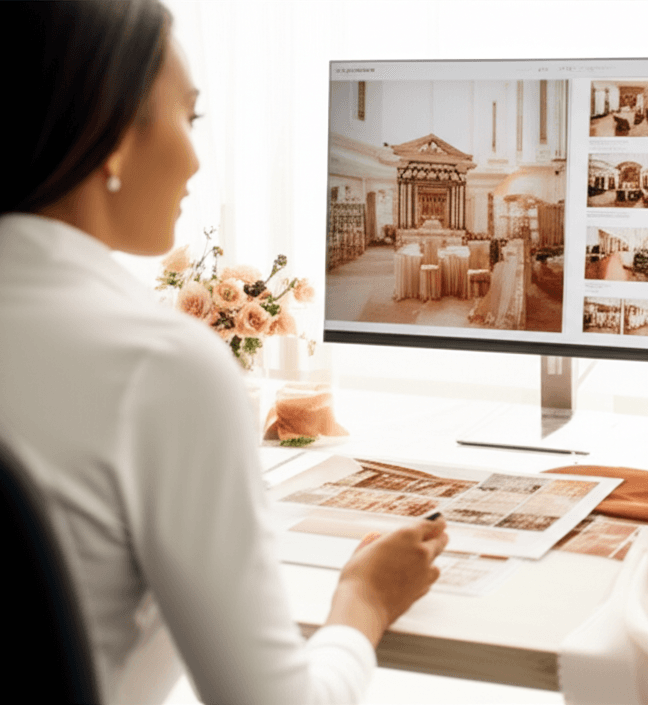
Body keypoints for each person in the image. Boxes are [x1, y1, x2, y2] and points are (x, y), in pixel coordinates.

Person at [0, 2, 448, 703]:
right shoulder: (154, 363)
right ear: (111, 131)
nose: (197, 157)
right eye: (190, 117)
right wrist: (364, 602)